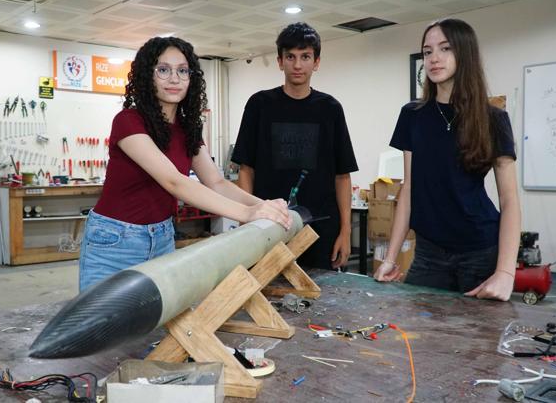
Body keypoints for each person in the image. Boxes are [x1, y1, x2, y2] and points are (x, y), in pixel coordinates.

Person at [79, 36, 291, 292]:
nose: (174, 79)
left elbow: (216, 182)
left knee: (155, 315)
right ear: (147, 75)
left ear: (192, 78)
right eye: (163, 70)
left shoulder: (187, 129)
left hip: (162, 236)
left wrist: (264, 206)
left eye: (182, 70)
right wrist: (247, 214)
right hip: (115, 240)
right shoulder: (128, 121)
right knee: (105, 316)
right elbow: (174, 181)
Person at [373, 18, 521, 301]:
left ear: (465, 53)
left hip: (481, 250)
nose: (434, 58)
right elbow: (409, 188)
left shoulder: (493, 119)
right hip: (429, 253)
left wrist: (505, 272)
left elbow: (510, 200)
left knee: (478, 331)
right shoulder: (412, 116)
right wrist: (390, 258)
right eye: (427, 51)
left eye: (445, 48)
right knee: (417, 328)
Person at [232, 22, 358, 270]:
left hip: (321, 230)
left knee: (322, 291)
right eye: (290, 57)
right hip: (269, 227)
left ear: (316, 62)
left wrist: (345, 231)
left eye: (305, 57)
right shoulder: (259, 105)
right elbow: (246, 170)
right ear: (280, 61)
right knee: (266, 290)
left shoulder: (330, 109)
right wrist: (247, 225)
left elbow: (342, 176)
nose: (298, 65)